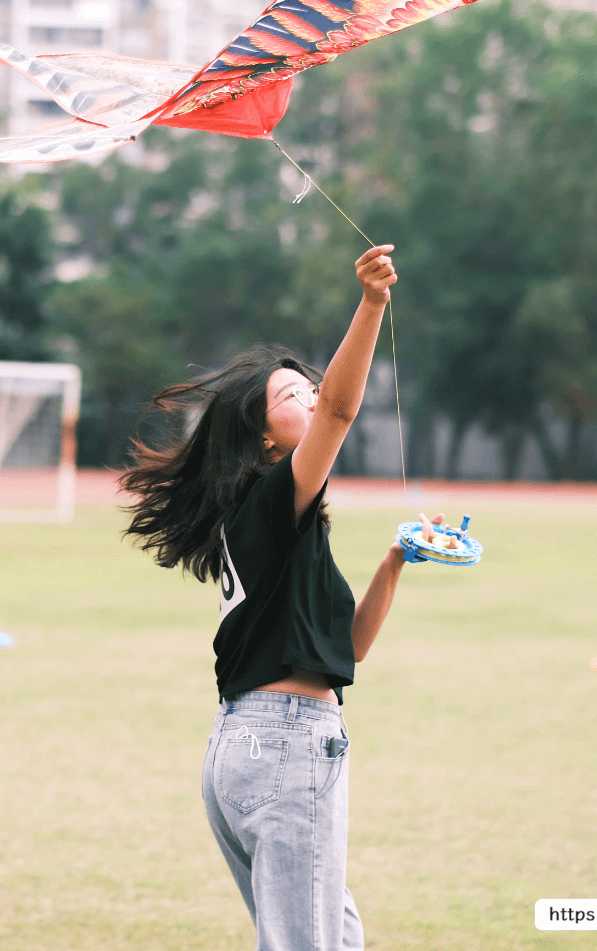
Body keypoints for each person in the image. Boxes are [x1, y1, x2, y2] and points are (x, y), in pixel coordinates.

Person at [121, 244, 427, 951]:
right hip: (284, 744)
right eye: (295, 397)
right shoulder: (267, 499)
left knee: (332, 940)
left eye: (310, 388)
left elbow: (342, 653)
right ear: (263, 436)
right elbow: (345, 410)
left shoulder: (278, 529)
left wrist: (392, 565)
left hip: (249, 745)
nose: (316, 400)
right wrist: (373, 303)